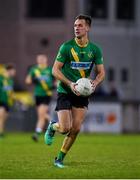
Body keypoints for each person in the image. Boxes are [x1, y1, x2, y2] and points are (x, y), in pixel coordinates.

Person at [44, 14, 105, 168]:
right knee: (64, 128)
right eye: (75, 25)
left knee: (76, 128)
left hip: (83, 92)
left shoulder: (95, 49)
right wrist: (70, 84)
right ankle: (52, 126)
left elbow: (101, 72)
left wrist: (95, 83)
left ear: (88, 28)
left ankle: (59, 159)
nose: (76, 28)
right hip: (65, 90)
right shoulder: (66, 47)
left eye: (80, 25)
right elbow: (55, 70)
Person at [25, 54, 54, 142]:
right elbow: (27, 80)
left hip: (46, 94)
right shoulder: (34, 70)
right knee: (42, 114)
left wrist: (53, 86)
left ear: (46, 60)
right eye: (39, 59)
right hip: (37, 95)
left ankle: (36, 134)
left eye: (42, 59)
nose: (41, 60)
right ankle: (54, 124)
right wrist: (33, 80)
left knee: (41, 116)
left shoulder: (49, 69)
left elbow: (57, 80)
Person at [0, 64, 16, 138]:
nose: (14, 72)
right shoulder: (1, 78)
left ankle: (1, 132)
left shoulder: (10, 80)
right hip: (1, 101)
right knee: (1, 117)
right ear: (9, 70)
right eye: (13, 71)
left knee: (4, 118)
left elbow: (10, 92)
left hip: (7, 102)